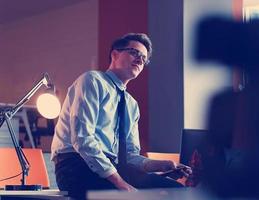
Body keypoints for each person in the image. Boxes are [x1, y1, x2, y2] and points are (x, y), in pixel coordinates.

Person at [51, 33, 191, 199]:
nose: (140, 60)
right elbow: (83, 140)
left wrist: (163, 166)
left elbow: (130, 156)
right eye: (134, 52)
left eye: (144, 58)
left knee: (179, 191)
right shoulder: (92, 81)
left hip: (112, 167)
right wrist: (121, 184)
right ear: (115, 54)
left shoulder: (131, 105)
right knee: (133, 196)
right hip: (75, 166)